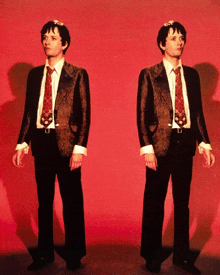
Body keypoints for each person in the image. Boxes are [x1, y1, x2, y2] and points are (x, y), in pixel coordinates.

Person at [137, 21, 215, 274]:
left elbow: (198, 112)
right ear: (162, 43)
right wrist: (146, 148)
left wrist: (204, 143)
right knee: (154, 202)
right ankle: (151, 255)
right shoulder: (149, 74)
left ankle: (181, 256)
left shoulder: (191, 75)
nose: (179, 42)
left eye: (182, 37)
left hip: (184, 145)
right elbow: (141, 114)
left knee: (183, 203)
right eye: (173, 38)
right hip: (159, 146)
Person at [12, 20, 90, 271]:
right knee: (43, 201)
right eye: (44, 37)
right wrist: (23, 142)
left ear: (64, 43)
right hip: (42, 142)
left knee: (72, 200)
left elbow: (85, 113)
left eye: (53, 37)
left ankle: (74, 254)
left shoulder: (78, 74)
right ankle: (44, 253)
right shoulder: (35, 75)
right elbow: (28, 111)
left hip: (67, 145)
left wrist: (79, 148)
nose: (47, 41)